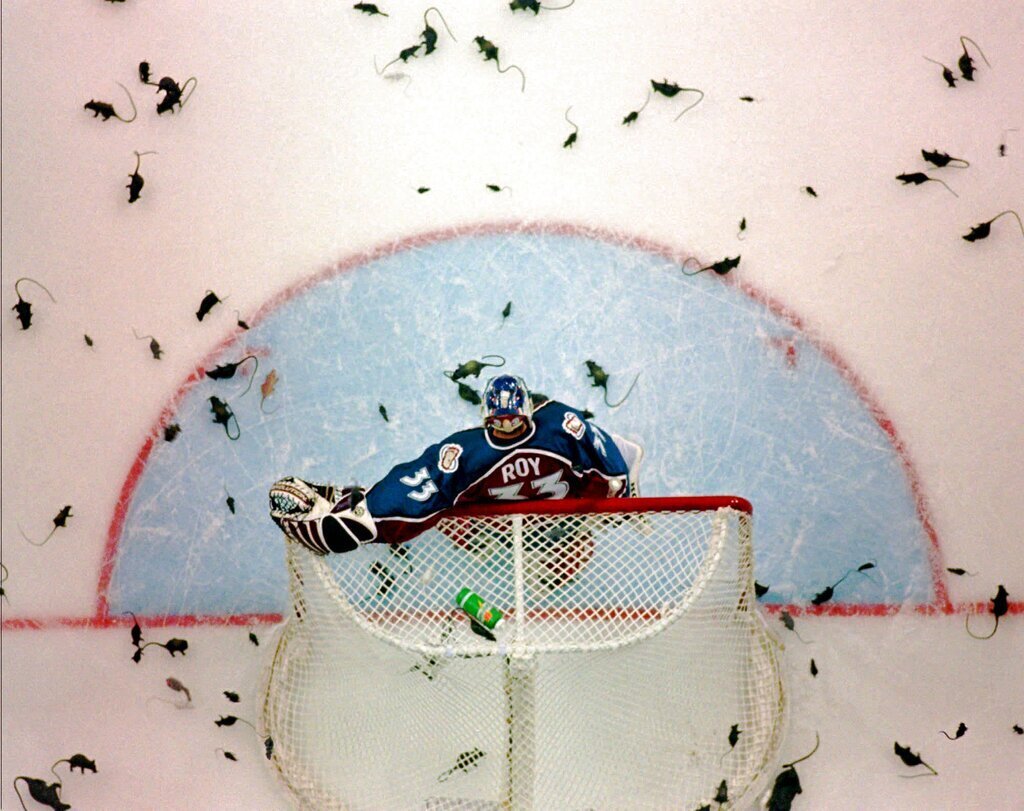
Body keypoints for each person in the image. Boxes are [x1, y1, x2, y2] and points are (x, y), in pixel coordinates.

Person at [268, 374, 644, 559]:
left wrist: (619, 497)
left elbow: (605, 456)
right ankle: (355, 506)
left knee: (566, 563)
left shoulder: (559, 427)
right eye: (501, 422)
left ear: (528, 412)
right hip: (497, 532)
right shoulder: (468, 453)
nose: (509, 428)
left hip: (557, 528)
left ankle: (558, 553)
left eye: (515, 420)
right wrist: (366, 518)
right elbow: (422, 482)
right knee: (455, 524)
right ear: (487, 419)